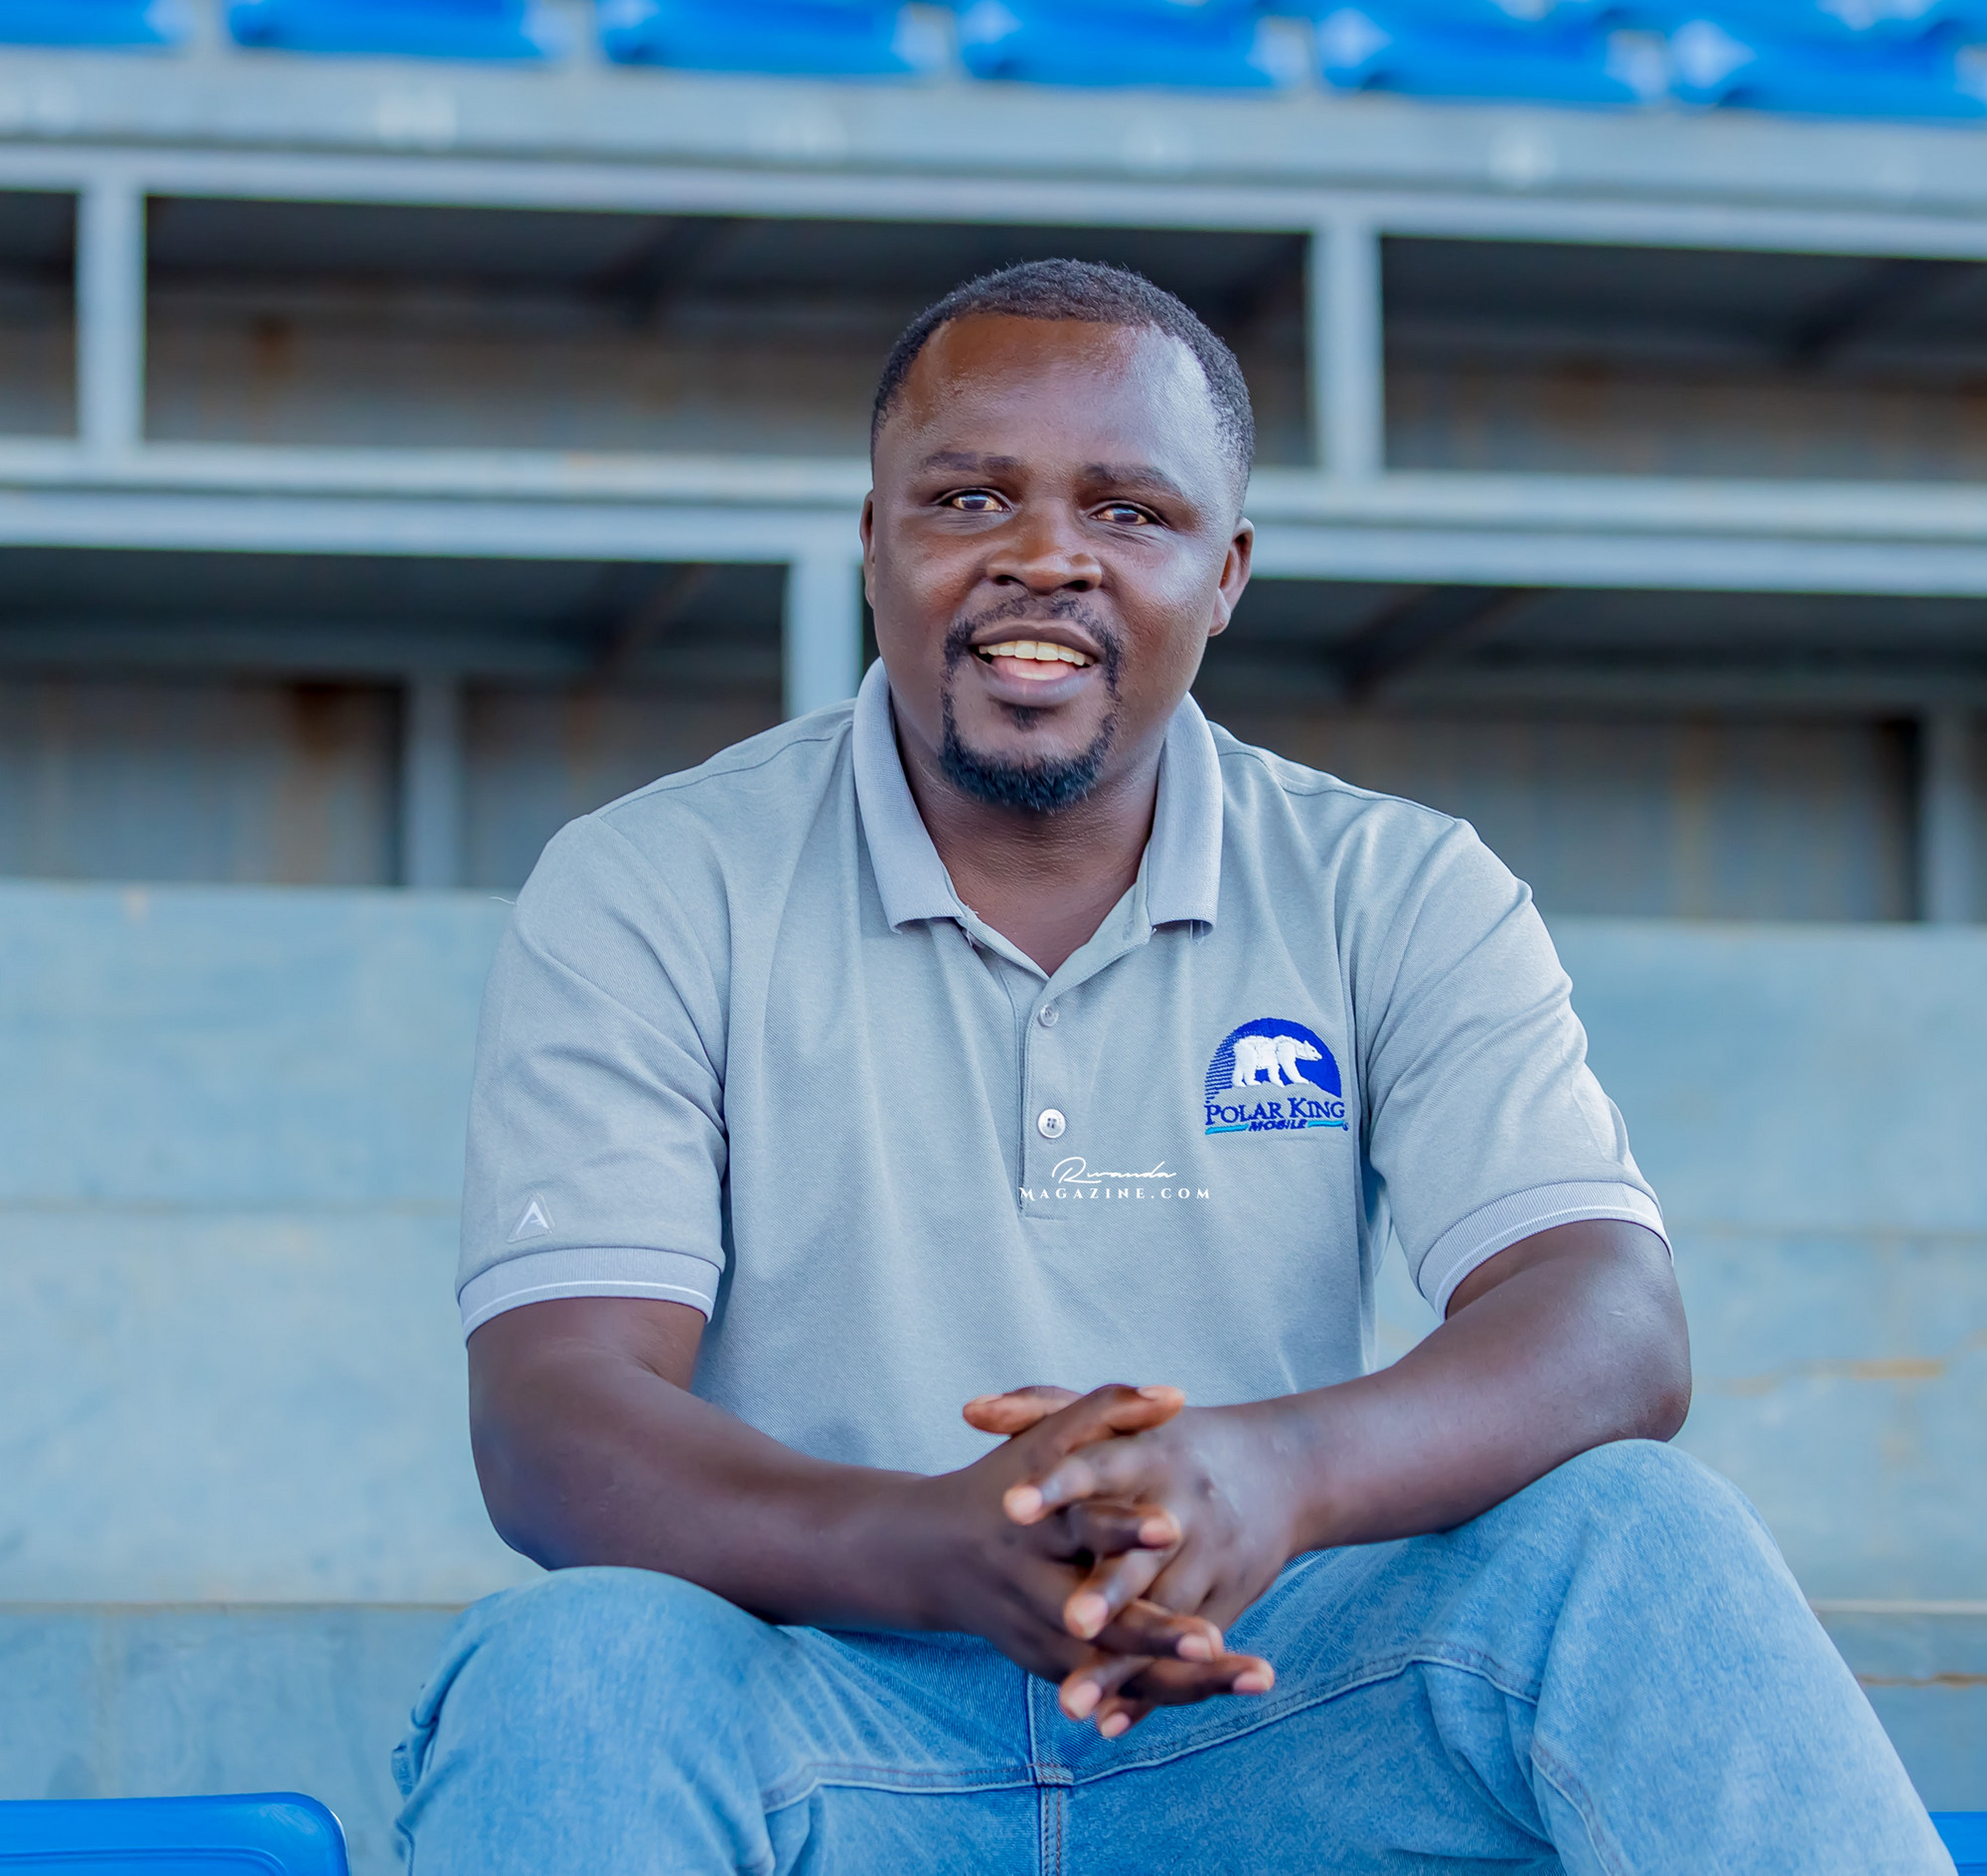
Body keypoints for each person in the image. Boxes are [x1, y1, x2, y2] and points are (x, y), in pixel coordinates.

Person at [393, 260, 1951, 1874]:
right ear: (873, 541)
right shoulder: (653, 881)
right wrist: (934, 1544)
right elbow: (555, 1410)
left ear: (1226, 575)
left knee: (1644, 1532)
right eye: (970, 496)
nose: (1044, 555)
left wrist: (1276, 1470)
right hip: (829, 1710)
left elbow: (1611, 1315)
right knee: (575, 1663)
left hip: (1277, 1710)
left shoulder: (1394, 884)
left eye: (1130, 511)